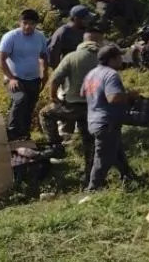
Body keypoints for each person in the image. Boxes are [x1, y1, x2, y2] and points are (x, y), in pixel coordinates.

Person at [41, 28, 103, 170]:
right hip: (95, 108)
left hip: (72, 106)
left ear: (84, 41)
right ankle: (90, 175)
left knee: (45, 114)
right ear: (99, 41)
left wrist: (53, 97)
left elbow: (55, 79)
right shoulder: (104, 58)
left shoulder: (71, 57)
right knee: (89, 141)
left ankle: (56, 146)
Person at [82, 45, 141, 190]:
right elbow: (113, 98)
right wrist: (130, 95)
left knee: (116, 151)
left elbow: (83, 93)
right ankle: (93, 189)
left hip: (93, 120)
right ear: (112, 59)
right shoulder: (111, 74)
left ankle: (129, 178)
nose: (121, 60)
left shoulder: (91, 74)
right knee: (102, 158)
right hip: (106, 122)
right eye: (119, 57)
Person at [0, 9, 49, 141]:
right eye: (24, 23)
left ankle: (24, 135)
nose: (27, 26)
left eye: (31, 24)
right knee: (20, 100)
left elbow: (43, 55)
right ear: (19, 22)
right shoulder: (11, 37)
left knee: (30, 105)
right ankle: (12, 133)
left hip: (33, 78)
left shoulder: (40, 37)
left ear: (36, 24)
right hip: (14, 78)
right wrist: (11, 78)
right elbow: (1, 60)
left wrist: (44, 72)